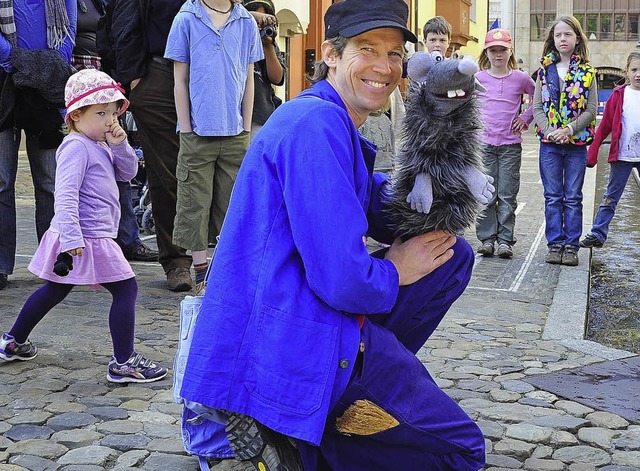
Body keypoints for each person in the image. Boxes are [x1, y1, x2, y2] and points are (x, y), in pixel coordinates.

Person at [177, 0, 486, 470]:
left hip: (289, 322)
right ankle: (300, 443)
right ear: (331, 54)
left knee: (452, 257)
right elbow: (343, 279)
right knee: (462, 452)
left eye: (396, 55)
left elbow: (391, 211)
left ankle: (316, 418)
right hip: (292, 338)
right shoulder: (315, 127)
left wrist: (443, 139)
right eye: (368, 49)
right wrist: (395, 270)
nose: (384, 67)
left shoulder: (330, 119)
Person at [0, 69, 167, 384]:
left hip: (93, 234)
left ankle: (12, 341)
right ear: (76, 115)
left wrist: (120, 145)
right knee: (126, 287)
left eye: (113, 112)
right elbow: (64, 195)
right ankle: (123, 362)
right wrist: (71, 237)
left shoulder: (100, 142)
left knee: (55, 289)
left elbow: (127, 173)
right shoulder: (76, 147)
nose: (109, 119)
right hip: (84, 236)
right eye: (100, 112)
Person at [165, 0, 263, 295]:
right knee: (194, 201)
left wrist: (246, 126)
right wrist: (186, 127)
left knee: (232, 203)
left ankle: (226, 269)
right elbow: (179, 79)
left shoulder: (245, 22)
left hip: (235, 132)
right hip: (197, 131)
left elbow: (249, 79)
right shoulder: (186, 19)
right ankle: (200, 269)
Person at [104, 0, 194, 292]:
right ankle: (177, 261)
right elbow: (123, 21)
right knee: (166, 173)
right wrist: (133, 77)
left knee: (216, 169)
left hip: (208, 74)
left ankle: (217, 259)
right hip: (159, 73)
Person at [72, 0, 158, 263]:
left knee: (117, 168)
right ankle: (81, 238)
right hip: (78, 88)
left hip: (109, 85)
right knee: (78, 175)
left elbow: (128, 170)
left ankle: (126, 238)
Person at [0, 0, 77, 290]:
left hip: (47, 90)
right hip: (3, 87)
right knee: (2, 182)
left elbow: (68, 34)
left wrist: (44, 68)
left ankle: (53, 262)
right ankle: (0, 266)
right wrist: (18, 62)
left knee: (50, 183)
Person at [532, 15, 597, 267]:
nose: (562, 39)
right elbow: (537, 107)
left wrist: (569, 129)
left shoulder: (587, 71)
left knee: (572, 196)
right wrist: (550, 131)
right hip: (549, 145)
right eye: (558, 35)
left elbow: (591, 110)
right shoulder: (544, 70)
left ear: (577, 38)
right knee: (552, 196)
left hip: (576, 145)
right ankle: (555, 244)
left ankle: (571, 246)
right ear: (552, 39)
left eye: (567, 34)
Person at [475, 29, 535, 259]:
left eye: (502, 50)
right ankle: (487, 238)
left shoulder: (520, 78)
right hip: (484, 144)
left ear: (510, 52)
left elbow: (537, 97)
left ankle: (505, 241)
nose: (498, 54)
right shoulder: (479, 78)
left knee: (507, 194)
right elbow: (466, 101)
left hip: (510, 145)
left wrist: (526, 117)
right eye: (493, 50)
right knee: (486, 193)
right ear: (486, 53)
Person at [580, 51, 640, 249]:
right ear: (626, 71)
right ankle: (598, 233)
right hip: (622, 155)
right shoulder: (618, 95)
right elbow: (604, 126)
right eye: (634, 70)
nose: (638, 74)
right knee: (610, 196)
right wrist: (593, 152)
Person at [243, 0, 286, 139]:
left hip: (261, 116)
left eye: (265, 19)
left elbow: (277, 78)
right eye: (257, 19)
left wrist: (268, 46)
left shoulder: (270, 44)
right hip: (238, 117)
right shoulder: (237, 39)